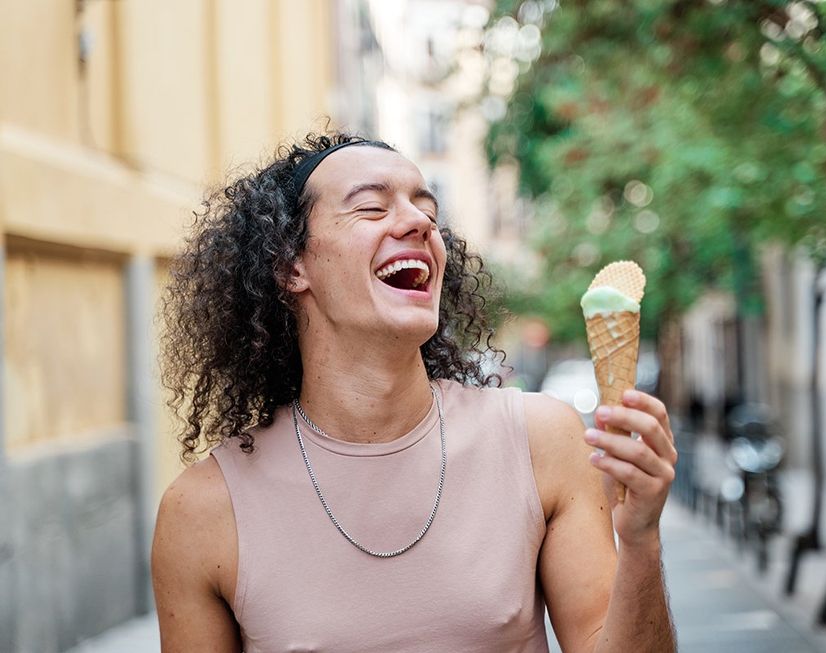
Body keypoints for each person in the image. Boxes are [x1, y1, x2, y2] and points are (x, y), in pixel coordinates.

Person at [151, 130, 678, 652]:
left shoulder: (544, 443)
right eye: (372, 208)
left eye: (427, 208)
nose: (420, 222)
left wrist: (640, 540)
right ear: (291, 265)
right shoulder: (202, 512)